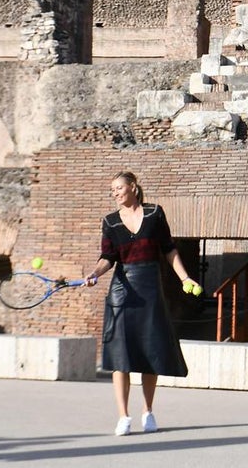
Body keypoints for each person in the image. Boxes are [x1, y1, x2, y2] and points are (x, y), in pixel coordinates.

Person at [83, 170, 198, 436]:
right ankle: (123, 417)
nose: (115, 193)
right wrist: (95, 274)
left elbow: (169, 249)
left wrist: (184, 278)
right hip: (122, 291)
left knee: (151, 350)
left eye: (119, 188)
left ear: (133, 187)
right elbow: (107, 257)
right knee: (120, 354)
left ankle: (148, 412)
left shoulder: (155, 214)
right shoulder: (110, 222)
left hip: (150, 287)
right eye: (112, 190)